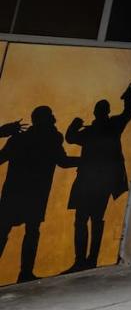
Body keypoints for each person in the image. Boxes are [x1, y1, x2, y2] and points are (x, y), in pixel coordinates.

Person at [64, 80, 131, 273]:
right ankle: (91, 260)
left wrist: (75, 124)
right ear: (106, 111)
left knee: (82, 219)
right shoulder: (113, 125)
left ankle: (81, 261)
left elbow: (70, 137)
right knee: (95, 219)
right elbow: (128, 113)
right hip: (102, 182)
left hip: (88, 181)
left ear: (96, 112)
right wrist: (129, 97)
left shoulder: (89, 131)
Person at [0, 106, 79, 283]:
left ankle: (26, 273)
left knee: (4, 230)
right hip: (36, 193)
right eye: (50, 115)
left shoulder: (19, 139)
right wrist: (86, 160)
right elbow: (63, 162)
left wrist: (2, 133)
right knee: (32, 231)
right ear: (44, 119)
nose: (54, 118)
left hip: (13, 192)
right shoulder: (52, 139)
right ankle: (25, 273)